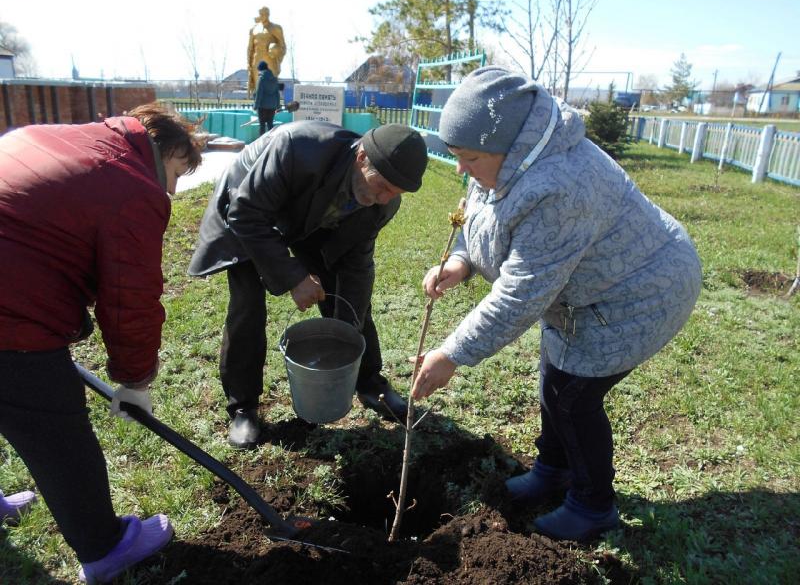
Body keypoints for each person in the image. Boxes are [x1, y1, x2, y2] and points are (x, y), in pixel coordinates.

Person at [411, 66, 702, 542]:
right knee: (556, 379)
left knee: (572, 399)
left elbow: (521, 292)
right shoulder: (505, 160)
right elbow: (481, 209)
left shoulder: (561, 186)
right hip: (586, 296)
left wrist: (452, 354)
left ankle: (592, 507)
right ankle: (553, 469)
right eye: (455, 156)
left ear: (509, 148)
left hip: (639, 289)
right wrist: (462, 260)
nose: (462, 169)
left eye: (469, 158)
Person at [0, 103, 203, 582]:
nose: (172, 189)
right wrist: (134, 381)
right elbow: (128, 299)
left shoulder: (46, 134)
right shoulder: (131, 186)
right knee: (58, 438)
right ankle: (106, 547)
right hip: (10, 319)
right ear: (166, 149)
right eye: (176, 172)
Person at [188, 122, 428, 448]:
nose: (381, 198)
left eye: (393, 193)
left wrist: (349, 327)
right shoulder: (296, 148)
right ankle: (243, 406)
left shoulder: (382, 203)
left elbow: (356, 266)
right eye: (381, 185)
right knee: (248, 305)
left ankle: (369, 380)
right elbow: (245, 214)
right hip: (248, 208)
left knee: (350, 298)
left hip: (311, 218)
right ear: (361, 157)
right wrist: (294, 278)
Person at [247, 6, 286, 95]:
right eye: (260, 14)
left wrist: (276, 51)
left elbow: (283, 46)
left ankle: (272, 107)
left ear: (268, 14)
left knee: (271, 88)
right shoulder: (254, 29)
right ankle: (258, 107)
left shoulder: (276, 28)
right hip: (256, 61)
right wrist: (248, 63)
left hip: (270, 61)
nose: (262, 16)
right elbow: (250, 48)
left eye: (264, 14)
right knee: (258, 88)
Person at [253, 60, 280, 135]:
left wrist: (255, 106)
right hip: (272, 106)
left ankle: (262, 143)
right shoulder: (275, 79)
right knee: (270, 124)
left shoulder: (261, 79)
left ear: (261, 69)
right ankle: (271, 141)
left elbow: (259, 93)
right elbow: (277, 94)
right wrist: (278, 106)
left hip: (262, 106)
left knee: (262, 125)